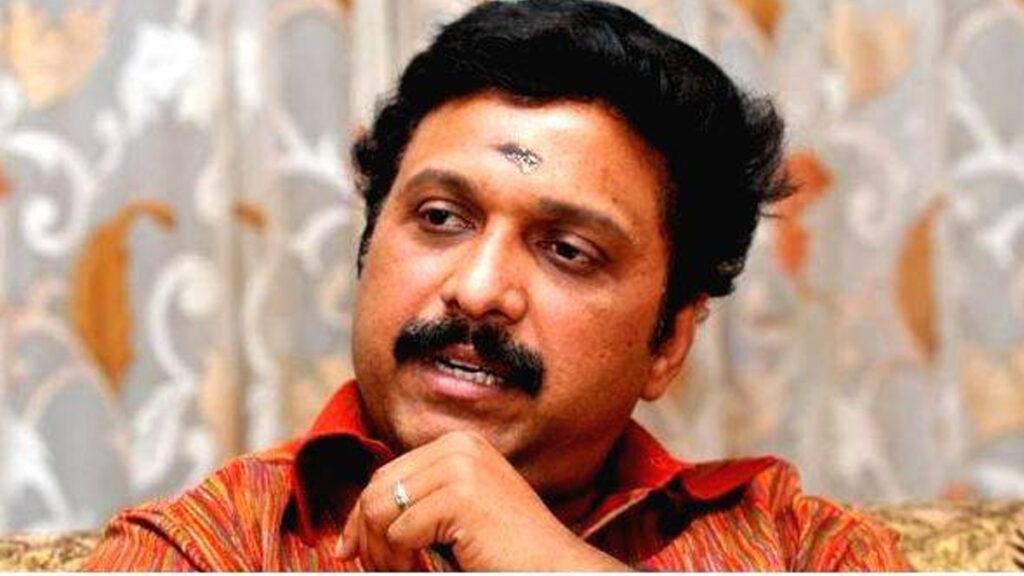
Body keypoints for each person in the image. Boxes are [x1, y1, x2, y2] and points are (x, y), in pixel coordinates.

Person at [84, 0, 909, 571]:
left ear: (668, 341)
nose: (479, 291)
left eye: (568, 251)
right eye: (441, 217)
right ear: (368, 248)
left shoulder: (807, 548)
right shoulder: (212, 547)